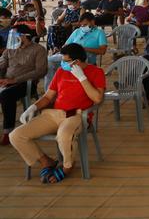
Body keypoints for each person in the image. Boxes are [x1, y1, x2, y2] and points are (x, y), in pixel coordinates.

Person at [10, 43, 105, 183]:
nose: (62, 63)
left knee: (64, 135)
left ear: (77, 62)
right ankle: (46, 161)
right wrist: (33, 108)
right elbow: (48, 96)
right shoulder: (61, 72)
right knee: (16, 135)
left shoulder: (96, 72)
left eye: (65, 61)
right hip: (53, 114)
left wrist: (82, 78)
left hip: (76, 115)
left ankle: (67, 166)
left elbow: (97, 98)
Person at [0, 25, 48, 144]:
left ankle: (8, 132)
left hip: (25, 83)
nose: (11, 38)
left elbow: (41, 71)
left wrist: (15, 80)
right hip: (6, 81)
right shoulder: (10, 50)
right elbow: (2, 65)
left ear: (24, 36)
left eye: (14, 35)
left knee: (6, 95)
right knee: (5, 92)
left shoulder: (38, 50)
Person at [45, 12, 107, 91]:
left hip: (85, 57)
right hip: (69, 54)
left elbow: (102, 51)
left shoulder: (99, 33)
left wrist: (84, 48)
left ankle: (71, 88)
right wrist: (62, 49)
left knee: (75, 63)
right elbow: (66, 45)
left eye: (85, 25)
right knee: (49, 61)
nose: (83, 27)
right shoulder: (78, 31)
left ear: (92, 22)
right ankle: (50, 91)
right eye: (81, 25)